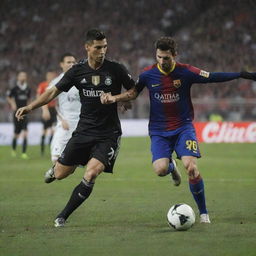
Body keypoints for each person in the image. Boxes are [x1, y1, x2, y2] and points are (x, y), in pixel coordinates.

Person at [100, 36, 256, 224]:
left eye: (166, 58)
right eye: (159, 57)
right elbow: (133, 92)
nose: (162, 61)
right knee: (160, 169)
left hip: (183, 128)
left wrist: (240, 74)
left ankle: (204, 213)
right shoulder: (148, 74)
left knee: (191, 167)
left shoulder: (186, 72)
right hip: (158, 131)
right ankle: (171, 166)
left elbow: (212, 77)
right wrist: (115, 98)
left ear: (175, 55)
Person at [15, 29, 135, 227]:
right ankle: (55, 169)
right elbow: (53, 91)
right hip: (84, 131)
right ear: (87, 48)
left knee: (91, 173)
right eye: (98, 47)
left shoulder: (116, 69)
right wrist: (30, 107)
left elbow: (134, 90)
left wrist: (117, 98)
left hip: (108, 134)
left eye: (105, 46)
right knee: (62, 174)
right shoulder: (77, 71)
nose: (102, 51)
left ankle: (62, 216)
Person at [48, 53, 79, 163]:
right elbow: (48, 99)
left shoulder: (82, 80)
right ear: (61, 64)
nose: (72, 64)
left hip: (82, 123)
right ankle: (54, 173)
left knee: (83, 158)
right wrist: (61, 119)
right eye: (69, 62)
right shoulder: (57, 81)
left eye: (74, 62)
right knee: (55, 156)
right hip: (66, 122)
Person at [6, 71, 31, 159]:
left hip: (25, 114)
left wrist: (28, 108)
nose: (23, 77)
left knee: (25, 133)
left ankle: (24, 153)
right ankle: (13, 150)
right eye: (21, 76)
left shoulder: (28, 88)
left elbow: (28, 100)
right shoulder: (15, 88)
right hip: (16, 113)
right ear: (18, 77)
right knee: (16, 133)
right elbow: (8, 97)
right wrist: (12, 104)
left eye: (24, 75)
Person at [36, 71, 57, 156]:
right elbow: (38, 97)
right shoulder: (42, 85)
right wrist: (44, 109)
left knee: (53, 131)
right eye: (49, 75)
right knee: (44, 131)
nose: (51, 77)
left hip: (54, 110)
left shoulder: (56, 84)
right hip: (46, 109)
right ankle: (42, 151)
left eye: (52, 75)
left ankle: (51, 150)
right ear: (47, 76)